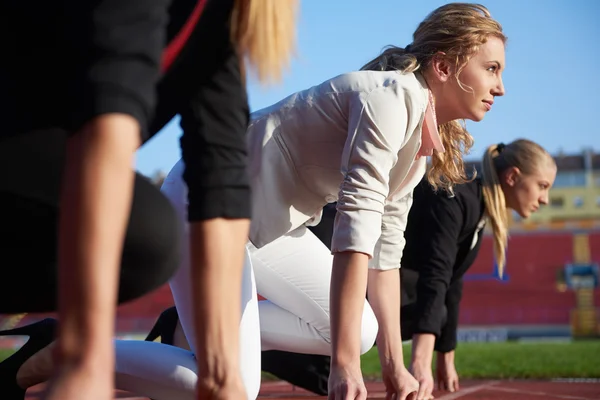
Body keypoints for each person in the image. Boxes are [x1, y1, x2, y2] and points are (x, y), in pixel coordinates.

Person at [0, 1, 297, 399]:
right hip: (27, 152)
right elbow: (104, 127)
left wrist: (220, 374)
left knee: (150, 233)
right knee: (144, 232)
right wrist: (83, 360)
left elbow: (220, 177)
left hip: (43, 163)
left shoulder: (219, 18)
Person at [252, 139, 557, 400]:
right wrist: (418, 363)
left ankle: (251, 340)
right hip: (338, 247)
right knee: (339, 360)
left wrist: (445, 356)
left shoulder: (477, 210)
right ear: (513, 177)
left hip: (379, 269)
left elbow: (452, 283)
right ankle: (245, 339)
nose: (544, 199)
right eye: (542, 186)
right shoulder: (457, 197)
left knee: (331, 370)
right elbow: (436, 279)